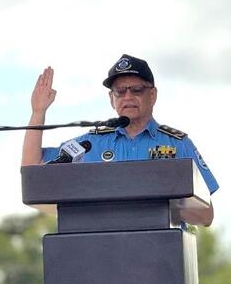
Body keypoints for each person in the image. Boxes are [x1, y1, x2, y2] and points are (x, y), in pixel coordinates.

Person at [21, 54, 219, 226]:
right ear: (111, 98)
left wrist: (160, 204)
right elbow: (32, 168)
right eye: (120, 91)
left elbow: (206, 215)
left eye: (136, 90)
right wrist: (38, 112)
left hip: (160, 255)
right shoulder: (90, 144)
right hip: (100, 254)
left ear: (153, 95)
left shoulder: (178, 143)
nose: (128, 97)